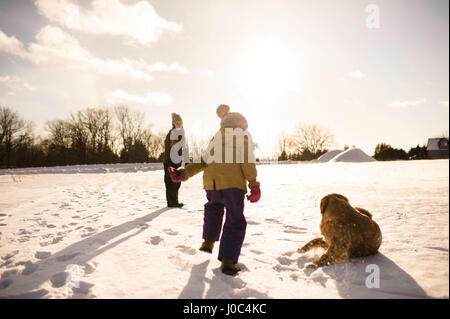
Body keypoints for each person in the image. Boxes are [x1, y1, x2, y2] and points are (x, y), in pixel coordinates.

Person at [169, 104, 261, 275]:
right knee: (235, 219)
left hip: (212, 182)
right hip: (232, 182)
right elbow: (247, 162)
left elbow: (203, 160)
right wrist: (254, 184)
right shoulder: (244, 136)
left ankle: (208, 242)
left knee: (214, 208)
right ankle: (228, 260)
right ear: (243, 124)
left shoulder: (217, 137)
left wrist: (185, 172)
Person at [163, 112, 188, 208]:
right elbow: (168, 148)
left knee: (177, 182)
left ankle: (174, 201)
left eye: (180, 121)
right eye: (177, 122)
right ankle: (171, 202)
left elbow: (184, 148)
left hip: (177, 161)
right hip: (170, 161)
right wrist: (170, 162)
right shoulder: (172, 133)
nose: (179, 123)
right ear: (173, 123)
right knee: (170, 182)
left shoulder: (181, 133)